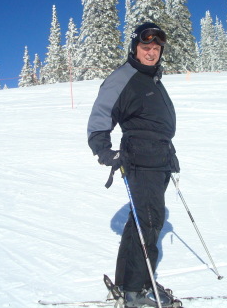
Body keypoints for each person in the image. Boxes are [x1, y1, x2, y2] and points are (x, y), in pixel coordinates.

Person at [87, 22, 180, 308]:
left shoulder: (151, 78)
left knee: (141, 222)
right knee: (149, 223)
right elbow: (100, 116)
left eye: (156, 48)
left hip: (158, 158)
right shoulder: (124, 76)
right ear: (134, 48)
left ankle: (130, 283)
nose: (151, 53)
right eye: (146, 47)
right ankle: (136, 293)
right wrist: (104, 151)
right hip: (140, 160)